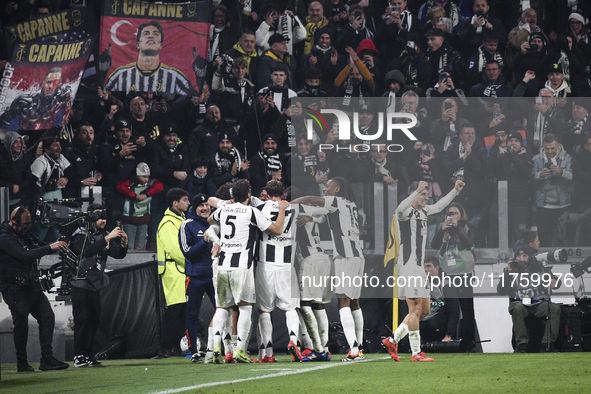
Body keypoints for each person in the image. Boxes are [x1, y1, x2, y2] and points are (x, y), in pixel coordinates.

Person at [382, 179, 464, 362]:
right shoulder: (404, 213)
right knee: (414, 308)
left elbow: (439, 205)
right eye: (423, 194)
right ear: (415, 194)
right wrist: (415, 192)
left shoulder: (424, 211)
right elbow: (400, 209)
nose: (427, 197)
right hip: (407, 264)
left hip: (418, 266)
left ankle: (392, 339)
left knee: (424, 310)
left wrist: (455, 191)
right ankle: (415, 353)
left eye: (427, 194)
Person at [207, 179, 288, 363]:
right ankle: (240, 350)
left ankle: (216, 346)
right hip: (242, 266)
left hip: (222, 265)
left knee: (222, 307)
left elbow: (210, 220)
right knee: (244, 307)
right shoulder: (252, 212)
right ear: (249, 195)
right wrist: (281, 211)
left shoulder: (224, 209)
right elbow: (276, 229)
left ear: (232, 195)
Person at [292, 177, 365, 361]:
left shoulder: (337, 201)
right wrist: (310, 216)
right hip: (358, 256)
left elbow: (310, 199)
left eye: (328, 187)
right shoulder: (351, 204)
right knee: (355, 302)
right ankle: (360, 347)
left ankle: (354, 350)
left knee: (343, 303)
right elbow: (322, 215)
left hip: (345, 257)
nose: (325, 190)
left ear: (337, 189)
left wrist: (288, 204)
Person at [0, 206, 69, 372]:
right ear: (14, 222)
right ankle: (22, 362)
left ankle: (47, 358)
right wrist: (50, 247)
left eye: (29, 223)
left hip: (31, 285)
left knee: (47, 317)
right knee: (21, 322)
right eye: (25, 224)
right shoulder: (5, 238)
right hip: (14, 287)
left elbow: (41, 245)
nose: (28, 226)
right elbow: (25, 255)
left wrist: (57, 244)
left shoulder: (24, 233)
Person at [69, 203, 128, 367]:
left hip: (95, 284)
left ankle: (88, 354)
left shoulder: (104, 235)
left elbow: (117, 254)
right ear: (92, 218)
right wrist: (107, 238)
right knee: (82, 320)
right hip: (79, 282)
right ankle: (79, 355)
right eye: (100, 217)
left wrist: (123, 243)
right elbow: (85, 251)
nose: (104, 221)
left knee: (94, 319)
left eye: (105, 217)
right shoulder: (80, 234)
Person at [253, 180, 302, 362]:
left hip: (265, 265)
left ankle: (269, 353)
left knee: (265, 310)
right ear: (283, 194)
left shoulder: (261, 209)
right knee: (291, 308)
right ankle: (293, 341)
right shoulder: (294, 208)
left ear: (266, 192)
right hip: (286, 265)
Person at [497, 240, 561, 352]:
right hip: (521, 305)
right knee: (516, 308)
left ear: (529, 257)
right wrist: (507, 273)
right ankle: (522, 344)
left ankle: (547, 343)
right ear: (515, 257)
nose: (521, 259)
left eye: (524, 256)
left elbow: (556, 281)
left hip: (538, 304)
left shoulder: (539, 267)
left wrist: (553, 281)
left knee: (555, 308)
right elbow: (501, 290)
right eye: (519, 256)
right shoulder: (511, 270)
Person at [430, 202, 476, 346]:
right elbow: (434, 245)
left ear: (461, 215)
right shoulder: (444, 229)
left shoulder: (468, 227)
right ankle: (450, 337)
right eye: (449, 214)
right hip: (447, 273)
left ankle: (469, 341)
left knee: (467, 307)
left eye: (455, 213)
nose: (452, 216)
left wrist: (457, 228)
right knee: (451, 307)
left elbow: (469, 243)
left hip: (464, 272)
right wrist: (442, 230)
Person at [104, 21, 194, 94]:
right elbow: (105, 96)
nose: (151, 36)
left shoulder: (175, 77)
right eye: (146, 34)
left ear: (161, 45)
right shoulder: (119, 75)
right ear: (138, 44)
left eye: (155, 34)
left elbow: (193, 98)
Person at [179, 193, 215, 363]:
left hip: (215, 276)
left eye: (207, 205)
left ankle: (218, 347)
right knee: (192, 314)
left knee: (223, 311)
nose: (205, 208)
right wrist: (205, 241)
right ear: (195, 208)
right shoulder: (188, 225)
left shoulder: (217, 222)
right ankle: (194, 351)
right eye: (201, 205)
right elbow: (187, 252)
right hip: (195, 277)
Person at [155, 188, 191, 358]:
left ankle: (174, 346)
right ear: (175, 203)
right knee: (175, 309)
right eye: (185, 200)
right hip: (174, 270)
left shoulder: (178, 219)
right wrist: (192, 262)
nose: (188, 203)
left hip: (179, 270)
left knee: (181, 309)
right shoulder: (168, 223)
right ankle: (165, 347)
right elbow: (175, 250)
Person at [532, 134, 573, 246]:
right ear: (543, 147)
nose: (549, 151)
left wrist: (561, 172)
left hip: (563, 204)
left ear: (558, 146)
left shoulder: (568, 158)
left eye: (552, 148)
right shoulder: (536, 159)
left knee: (564, 237)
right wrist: (540, 175)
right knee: (544, 237)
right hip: (543, 205)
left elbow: (572, 178)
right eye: (547, 149)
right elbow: (530, 178)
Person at [0, 67, 72, 130]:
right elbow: (4, 121)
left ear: (59, 84)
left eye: (55, 83)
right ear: (43, 83)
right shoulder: (25, 100)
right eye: (49, 82)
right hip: (23, 135)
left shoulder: (63, 99)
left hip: (46, 135)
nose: (51, 86)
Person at [420, 256, 460, 343]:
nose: (426, 269)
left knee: (429, 322)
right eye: (424, 267)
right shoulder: (423, 283)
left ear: (437, 267)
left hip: (441, 319)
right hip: (427, 317)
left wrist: (449, 335)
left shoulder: (447, 284)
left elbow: (454, 311)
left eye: (429, 266)